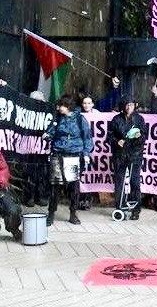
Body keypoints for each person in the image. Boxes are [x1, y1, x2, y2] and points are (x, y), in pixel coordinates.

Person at [44, 95, 93, 226]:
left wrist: (86, 153)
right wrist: (47, 135)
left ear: (68, 106)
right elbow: (51, 130)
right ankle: (51, 214)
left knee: (73, 187)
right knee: (55, 186)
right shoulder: (57, 118)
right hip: (58, 153)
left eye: (61, 105)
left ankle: (73, 213)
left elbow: (87, 137)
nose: (59, 108)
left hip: (73, 155)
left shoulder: (79, 119)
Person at [108, 95, 148, 220]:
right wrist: (116, 141)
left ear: (135, 105)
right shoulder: (116, 119)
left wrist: (138, 137)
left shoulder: (139, 119)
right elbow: (109, 136)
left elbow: (144, 137)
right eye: (126, 104)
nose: (128, 107)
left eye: (131, 104)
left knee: (134, 182)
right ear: (123, 106)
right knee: (119, 182)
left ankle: (136, 208)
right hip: (119, 155)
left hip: (135, 155)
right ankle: (119, 206)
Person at [23, 90, 50, 207]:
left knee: (42, 173)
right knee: (30, 173)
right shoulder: (25, 111)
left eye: (39, 101)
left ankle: (40, 196)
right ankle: (30, 197)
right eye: (35, 100)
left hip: (43, 148)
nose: (37, 103)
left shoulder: (48, 111)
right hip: (30, 148)